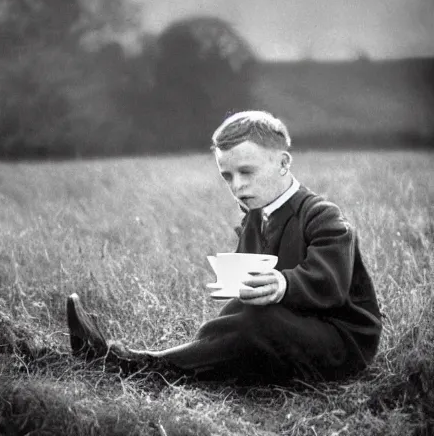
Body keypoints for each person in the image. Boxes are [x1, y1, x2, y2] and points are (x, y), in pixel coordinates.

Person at [67, 110, 382, 384]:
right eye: (227, 176)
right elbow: (250, 294)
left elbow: (332, 282)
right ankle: (161, 364)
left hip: (342, 342)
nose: (237, 186)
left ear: (283, 163)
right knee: (237, 318)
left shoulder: (321, 214)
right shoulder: (255, 219)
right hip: (292, 329)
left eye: (246, 172)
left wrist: (285, 283)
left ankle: (134, 364)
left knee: (255, 324)